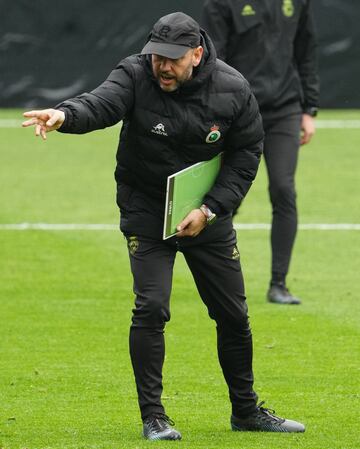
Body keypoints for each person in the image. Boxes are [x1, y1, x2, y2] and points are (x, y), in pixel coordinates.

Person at [22, 12, 306, 440]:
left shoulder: (233, 88)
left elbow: (247, 155)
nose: (162, 67)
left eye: (172, 59)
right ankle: (154, 417)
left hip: (204, 217)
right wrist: (65, 115)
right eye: (157, 57)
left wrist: (210, 209)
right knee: (151, 308)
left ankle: (246, 412)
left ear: (197, 53)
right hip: (147, 209)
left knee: (233, 315)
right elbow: (102, 103)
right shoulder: (136, 73)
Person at [202, 0, 320, 305]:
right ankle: (207, 268)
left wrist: (309, 108)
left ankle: (278, 284)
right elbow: (214, 59)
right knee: (227, 194)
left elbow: (305, 50)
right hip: (240, 109)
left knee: (284, 189)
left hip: (285, 109)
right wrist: (219, 109)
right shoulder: (221, 4)